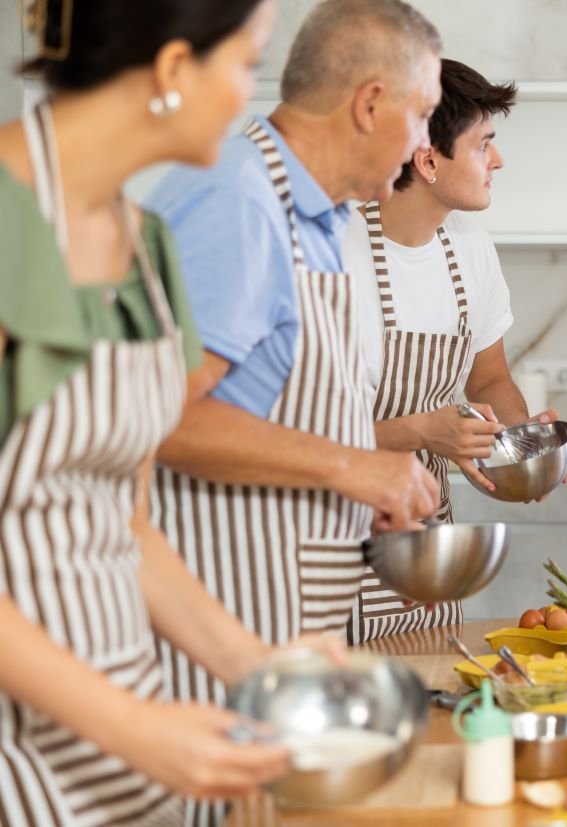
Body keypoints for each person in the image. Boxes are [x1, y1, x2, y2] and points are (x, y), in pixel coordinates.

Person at [0, 1, 348, 822]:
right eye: (243, 63)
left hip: (123, 747)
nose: (248, 96)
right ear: (171, 69)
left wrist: (257, 664)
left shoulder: (145, 243)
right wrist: (131, 727)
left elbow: (126, 519)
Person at [142, 1, 441, 819]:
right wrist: (356, 464)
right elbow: (159, 420)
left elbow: (274, 405)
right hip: (215, 617)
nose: (425, 145)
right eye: (422, 115)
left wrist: (358, 487)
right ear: (370, 103)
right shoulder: (238, 199)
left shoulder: (317, 215)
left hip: (281, 612)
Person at [341, 59, 551, 639]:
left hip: (425, 543)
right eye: (484, 144)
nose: (499, 161)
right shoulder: (334, 248)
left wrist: (522, 444)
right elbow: (289, 429)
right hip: (326, 528)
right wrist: (418, 430)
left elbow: (488, 380)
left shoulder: (469, 246)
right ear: (428, 159)